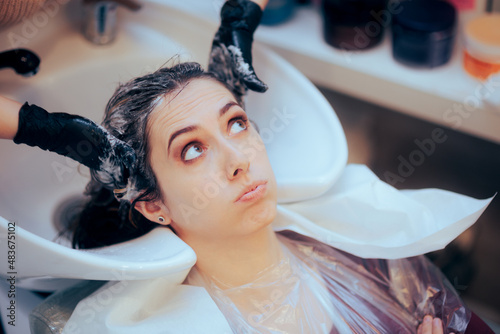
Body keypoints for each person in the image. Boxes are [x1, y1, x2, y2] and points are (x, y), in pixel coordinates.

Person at [0, 0, 495, 333]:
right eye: (191, 150)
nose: (238, 160)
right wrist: (46, 128)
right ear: (152, 205)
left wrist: (240, 17)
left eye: (236, 123)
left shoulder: (367, 251)